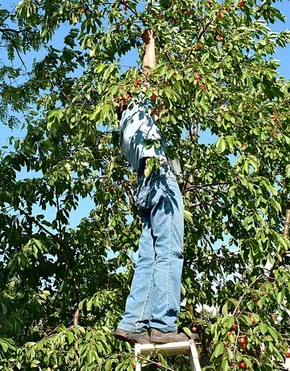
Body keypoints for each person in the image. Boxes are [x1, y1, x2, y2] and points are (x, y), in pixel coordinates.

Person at [113, 30, 188, 345]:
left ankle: (133, 323)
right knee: (171, 250)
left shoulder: (125, 130)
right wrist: (151, 44)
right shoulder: (136, 109)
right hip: (159, 179)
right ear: (129, 99)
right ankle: (163, 326)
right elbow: (149, 74)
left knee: (150, 255)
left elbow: (159, 108)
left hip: (145, 185)